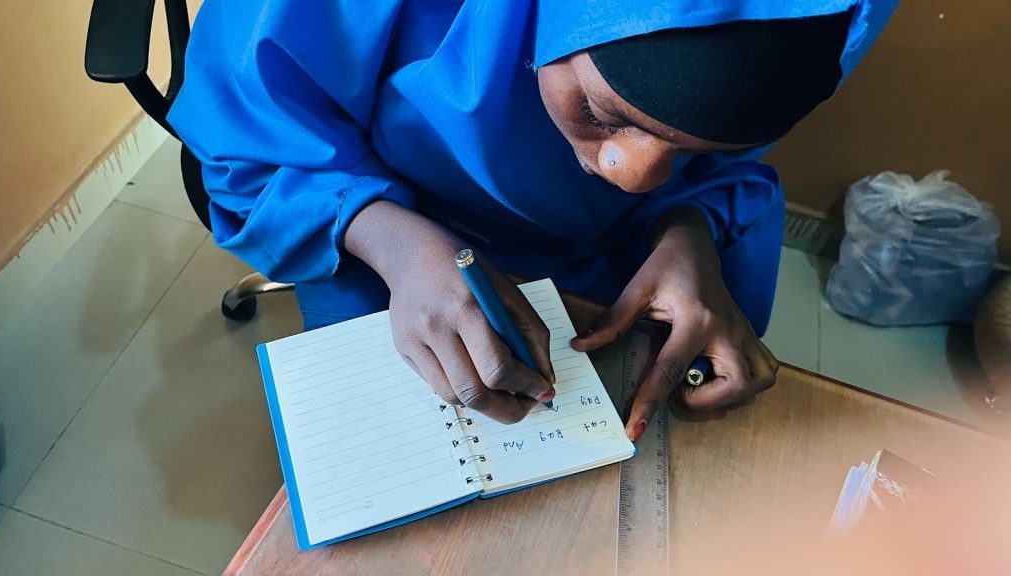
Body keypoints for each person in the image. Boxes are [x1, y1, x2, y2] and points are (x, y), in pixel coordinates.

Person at [168, 0, 896, 438]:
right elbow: (246, 141)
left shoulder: (827, 12)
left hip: (613, 250)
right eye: (604, 113)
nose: (631, 175)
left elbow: (712, 160)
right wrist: (394, 242)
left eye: (685, 149)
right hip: (375, 221)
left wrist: (686, 228)